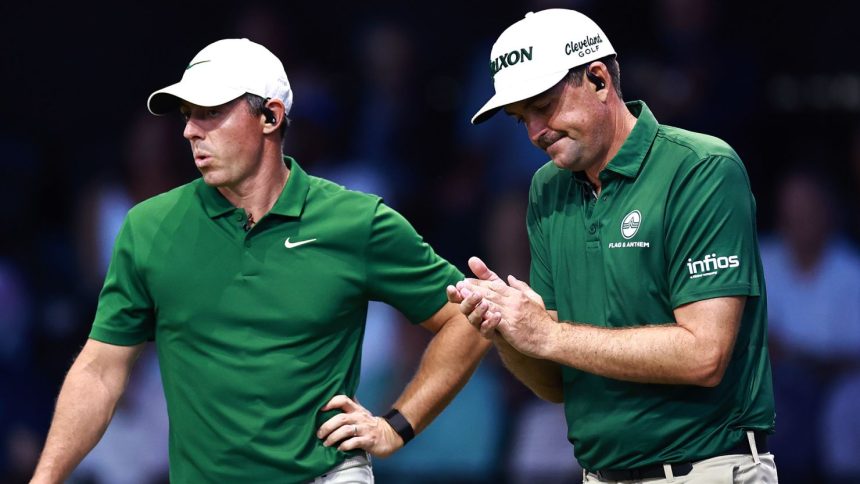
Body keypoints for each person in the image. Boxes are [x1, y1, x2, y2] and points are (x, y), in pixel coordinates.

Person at [30, 38, 489, 483]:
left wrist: (396, 426)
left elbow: (468, 319)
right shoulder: (148, 227)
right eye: (188, 116)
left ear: (270, 117)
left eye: (209, 113)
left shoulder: (356, 221)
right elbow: (100, 370)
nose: (190, 130)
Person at [448, 9, 778, 483]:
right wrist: (509, 331)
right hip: (597, 474)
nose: (534, 133)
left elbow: (705, 355)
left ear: (599, 79)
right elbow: (558, 382)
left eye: (543, 106)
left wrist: (546, 334)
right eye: (521, 118)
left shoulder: (702, 168)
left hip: (708, 467)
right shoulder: (547, 188)